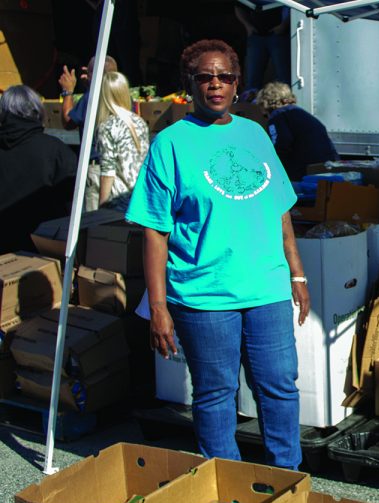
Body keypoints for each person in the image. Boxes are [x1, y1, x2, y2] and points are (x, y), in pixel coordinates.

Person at [126, 39, 310, 470]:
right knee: (214, 393)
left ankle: (288, 479)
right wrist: (158, 308)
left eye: (225, 77)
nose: (215, 85)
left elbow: (279, 207)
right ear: (189, 83)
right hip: (204, 295)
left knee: (279, 385)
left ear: (237, 83)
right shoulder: (170, 144)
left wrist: (297, 275)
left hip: (266, 288)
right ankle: (224, 486)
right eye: (205, 77)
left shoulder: (255, 133)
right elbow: (153, 232)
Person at [0, 86, 77, 254]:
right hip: (44, 252)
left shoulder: (56, 151)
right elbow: (72, 204)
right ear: (37, 111)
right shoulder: (56, 150)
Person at [58, 54, 118, 210]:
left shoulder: (91, 97)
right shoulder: (123, 97)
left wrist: (68, 92)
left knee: (94, 224)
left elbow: (68, 121)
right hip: (121, 168)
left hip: (98, 168)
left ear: (96, 75)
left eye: (89, 73)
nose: (84, 75)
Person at [256, 81, 338, 180]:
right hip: (325, 166)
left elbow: (280, 146)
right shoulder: (299, 113)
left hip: (304, 171)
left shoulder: (278, 116)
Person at [95, 71, 149, 211]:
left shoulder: (107, 126)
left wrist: (102, 205)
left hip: (118, 200)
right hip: (140, 197)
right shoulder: (139, 122)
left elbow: (108, 171)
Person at [235, 0, 291, 91]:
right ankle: (251, 101)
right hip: (256, 37)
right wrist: (248, 26)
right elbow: (239, 6)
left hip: (279, 36)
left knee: (283, 77)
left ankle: (285, 102)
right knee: (253, 78)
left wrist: (283, 25)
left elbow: (295, 7)